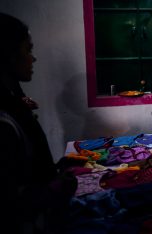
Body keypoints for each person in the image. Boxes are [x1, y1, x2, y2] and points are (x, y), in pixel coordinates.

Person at [0, 12, 76, 233]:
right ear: (8, 55)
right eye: (28, 49)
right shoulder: (4, 125)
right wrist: (57, 187)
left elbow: (25, 173)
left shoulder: (14, 105)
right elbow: (10, 205)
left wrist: (56, 170)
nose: (33, 58)